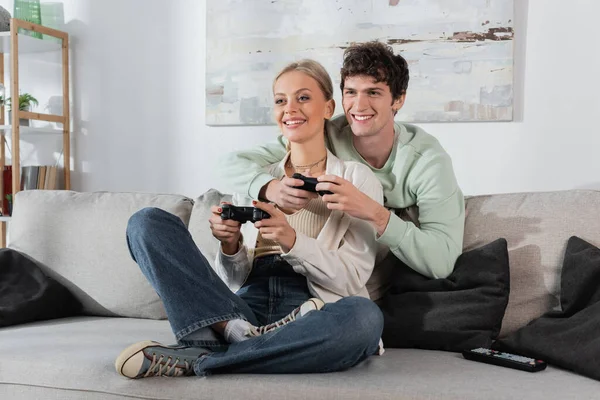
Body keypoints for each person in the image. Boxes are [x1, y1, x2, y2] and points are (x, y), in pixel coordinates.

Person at [115, 59, 385, 379]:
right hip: (239, 311)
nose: (290, 109)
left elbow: (351, 280)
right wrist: (230, 246)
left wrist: (291, 240)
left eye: (302, 98)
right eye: (280, 100)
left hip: (314, 309)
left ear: (328, 107)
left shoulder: (357, 180)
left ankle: (204, 359)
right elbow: (234, 281)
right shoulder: (258, 180)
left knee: (365, 317)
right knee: (146, 222)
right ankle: (240, 335)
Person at [219, 41, 465, 302]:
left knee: (362, 315)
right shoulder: (323, 132)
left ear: (399, 99)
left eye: (373, 92)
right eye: (351, 92)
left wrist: (374, 213)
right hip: (302, 275)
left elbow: (442, 261)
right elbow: (229, 164)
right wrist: (272, 189)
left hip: (353, 283)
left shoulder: (427, 161)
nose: (358, 106)